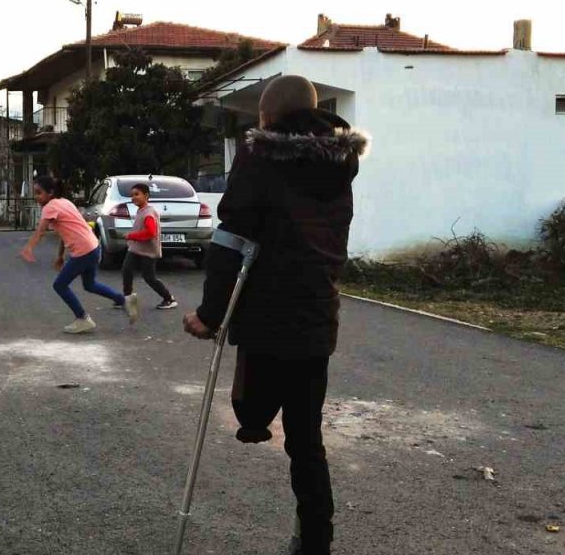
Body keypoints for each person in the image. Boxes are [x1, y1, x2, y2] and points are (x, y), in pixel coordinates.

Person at [183, 75, 369, 555]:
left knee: (253, 406)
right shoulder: (339, 167)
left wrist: (209, 313)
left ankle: (254, 415)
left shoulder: (259, 158)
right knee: (306, 439)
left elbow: (230, 239)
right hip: (316, 316)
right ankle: (315, 540)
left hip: (267, 315)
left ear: (267, 117)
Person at [20, 175, 138, 333]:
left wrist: (29, 248)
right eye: (35, 193)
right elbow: (65, 231)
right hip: (93, 247)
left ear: (50, 193)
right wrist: (61, 255)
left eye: (39, 193)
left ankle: (82, 318)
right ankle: (124, 300)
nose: (36, 197)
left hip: (84, 251)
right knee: (90, 285)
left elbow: (40, 231)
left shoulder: (50, 208)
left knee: (59, 285)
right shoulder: (65, 202)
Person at [119, 182, 177, 310]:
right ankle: (127, 298)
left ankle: (169, 298)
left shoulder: (148, 213)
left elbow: (151, 233)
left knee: (149, 277)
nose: (133, 197)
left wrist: (131, 236)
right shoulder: (141, 210)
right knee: (126, 270)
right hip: (136, 248)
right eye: (132, 195)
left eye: (137, 194)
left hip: (148, 251)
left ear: (146, 195)